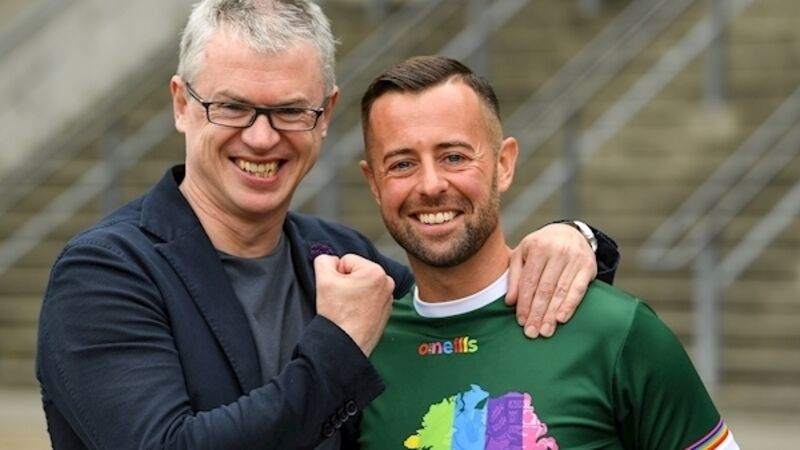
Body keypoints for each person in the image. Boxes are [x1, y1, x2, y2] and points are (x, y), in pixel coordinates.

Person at [35, 1, 619, 449]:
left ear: (325, 115)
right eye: (232, 107)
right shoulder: (104, 272)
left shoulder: (342, 256)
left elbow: (474, 311)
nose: (261, 137)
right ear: (182, 104)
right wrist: (337, 346)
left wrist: (579, 240)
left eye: (291, 111)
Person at [355, 55, 739, 449]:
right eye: (402, 164)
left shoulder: (618, 332)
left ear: (504, 164)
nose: (431, 185)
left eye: (454, 157)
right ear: (373, 184)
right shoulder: (360, 353)